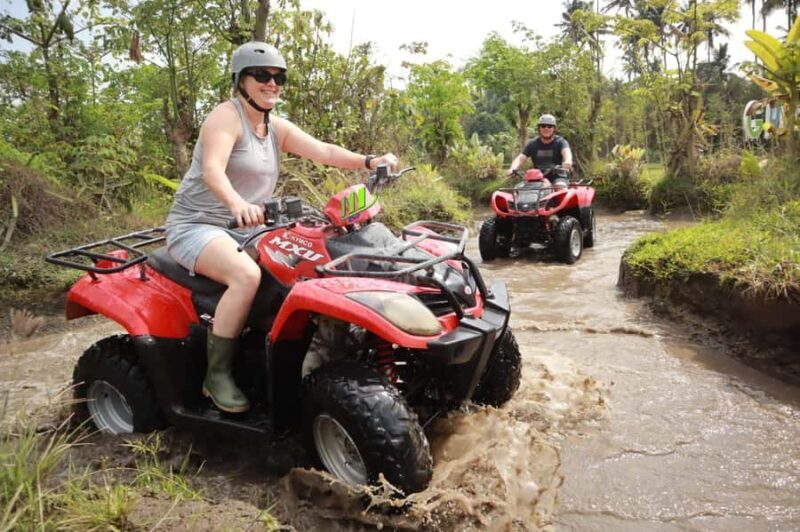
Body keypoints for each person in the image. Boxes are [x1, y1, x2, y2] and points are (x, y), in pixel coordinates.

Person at [164, 41, 398, 414]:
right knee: (245, 275)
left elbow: (324, 151)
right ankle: (217, 375)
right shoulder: (226, 117)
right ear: (240, 80)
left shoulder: (274, 127)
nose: (271, 83)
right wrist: (237, 204)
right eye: (262, 76)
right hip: (199, 225)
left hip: (247, 226)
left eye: (278, 77)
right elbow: (212, 170)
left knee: (305, 264)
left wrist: (370, 161)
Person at [506, 114, 573, 187]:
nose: (546, 128)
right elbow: (520, 158)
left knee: (560, 188)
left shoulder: (560, 142)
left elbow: (566, 152)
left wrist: (568, 161)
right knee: (520, 189)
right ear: (539, 128)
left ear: (554, 129)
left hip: (557, 176)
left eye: (549, 126)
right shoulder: (532, 144)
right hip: (537, 177)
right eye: (543, 126)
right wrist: (512, 168)